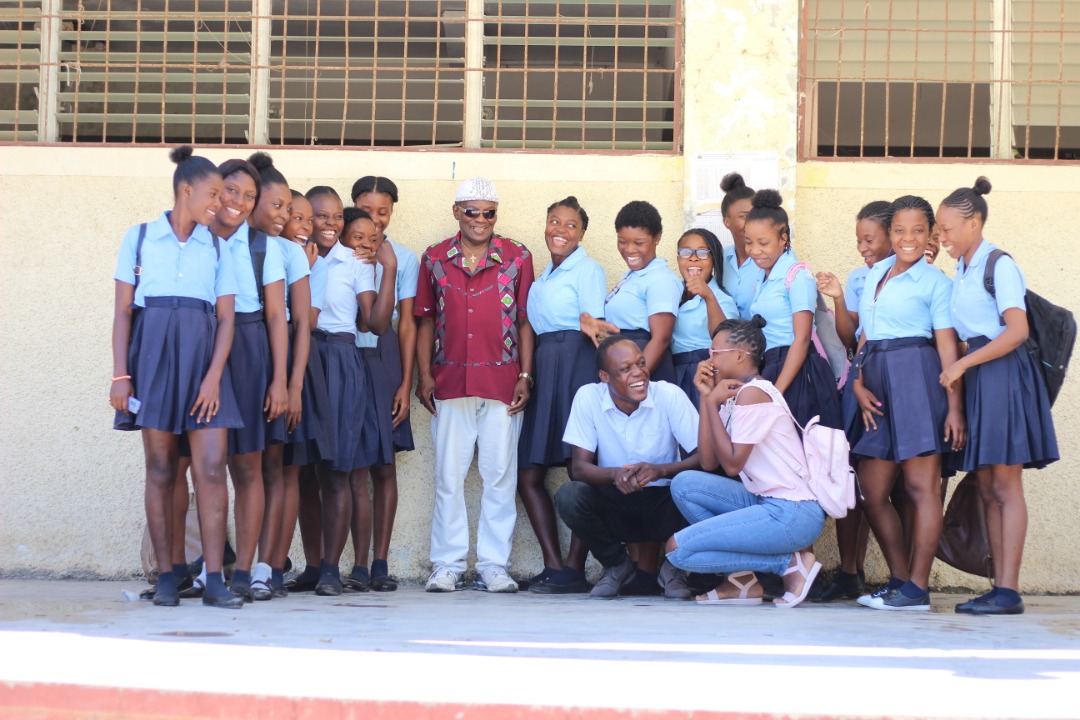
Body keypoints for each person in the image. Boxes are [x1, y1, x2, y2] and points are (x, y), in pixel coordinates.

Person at [110, 146, 243, 609]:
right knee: (162, 470)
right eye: (213, 194)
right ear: (186, 190)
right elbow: (123, 313)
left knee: (210, 467)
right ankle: (168, 576)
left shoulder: (221, 246)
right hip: (153, 362)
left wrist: (213, 379)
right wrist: (121, 375)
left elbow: (225, 319)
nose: (220, 205)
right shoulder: (141, 238)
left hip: (205, 364)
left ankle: (214, 579)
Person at [938, 177, 1059, 615]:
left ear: (975, 222)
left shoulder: (999, 264)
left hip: (1003, 376)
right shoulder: (964, 269)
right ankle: (998, 587)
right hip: (982, 379)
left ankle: (1008, 589)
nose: (942, 237)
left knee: (1005, 485)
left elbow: (1017, 330)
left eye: (948, 229)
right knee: (987, 485)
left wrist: (963, 365)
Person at [414, 177, 535, 594]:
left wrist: (525, 375)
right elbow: (425, 319)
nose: (481, 220)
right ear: (456, 213)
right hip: (449, 381)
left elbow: (524, 320)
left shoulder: (517, 257)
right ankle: (446, 564)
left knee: (499, 476)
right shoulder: (433, 259)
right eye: (472, 211)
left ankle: (492, 565)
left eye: (489, 212)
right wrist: (424, 375)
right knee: (449, 476)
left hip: (502, 383)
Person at [848, 195, 965, 611]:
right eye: (899, 230)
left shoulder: (936, 283)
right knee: (872, 489)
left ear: (930, 235)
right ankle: (900, 579)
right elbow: (864, 335)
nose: (907, 238)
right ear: (889, 233)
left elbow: (948, 347)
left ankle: (917, 586)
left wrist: (954, 407)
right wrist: (856, 382)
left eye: (918, 230)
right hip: (875, 383)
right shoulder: (875, 273)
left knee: (921, 487)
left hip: (916, 377)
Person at [663, 316, 826, 609]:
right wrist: (706, 399)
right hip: (769, 503)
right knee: (685, 484)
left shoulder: (753, 395)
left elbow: (733, 465)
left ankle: (788, 564)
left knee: (678, 551)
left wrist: (713, 403)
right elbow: (710, 461)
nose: (707, 358)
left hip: (792, 513)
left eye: (714, 352)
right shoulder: (735, 395)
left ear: (739, 355)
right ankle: (741, 581)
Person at [579, 200, 683, 590]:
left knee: (654, 462)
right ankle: (640, 574)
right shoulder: (631, 278)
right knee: (627, 459)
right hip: (625, 373)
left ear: (657, 239)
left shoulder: (660, 279)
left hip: (641, 372)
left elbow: (659, 336)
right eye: (623, 242)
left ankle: (658, 569)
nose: (630, 249)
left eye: (639, 242)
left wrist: (637, 381)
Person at [554, 337, 699, 599]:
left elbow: (705, 459)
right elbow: (579, 469)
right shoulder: (588, 397)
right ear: (604, 376)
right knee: (570, 494)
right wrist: (613, 474)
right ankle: (616, 565)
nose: (638, 373)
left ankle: (674, 567)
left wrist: (661, 470)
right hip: (618, 499)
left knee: (700, 487)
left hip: (665, 503)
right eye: (625, 369)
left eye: (641, 363)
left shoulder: (669, 395)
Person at [518, 197, 607, 594]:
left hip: (577, 364)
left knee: (579, 468)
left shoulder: (587, 269)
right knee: (529, 472)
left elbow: (594, 325)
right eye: (554, 221)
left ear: (582, 233)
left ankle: (575, 567)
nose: (561, 230)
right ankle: (554, 565)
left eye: (571, 225)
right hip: (544, 365)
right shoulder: (543, 278)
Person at [310, 199, 398, 596]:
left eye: (336, 217)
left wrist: (388, 269)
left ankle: (332, 569)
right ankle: (297, 566)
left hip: (342, 361)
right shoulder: (298, 255)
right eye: (321, 217)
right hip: (304, 357)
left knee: (342, 472)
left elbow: (375, 323)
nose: (330, 224)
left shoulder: (356, 264)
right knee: (302, 471)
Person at [813, 200, 892, 602]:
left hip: (901, 383)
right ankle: (849, 571)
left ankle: (908, 578)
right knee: (853, 476)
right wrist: (840, 299)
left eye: (870, 239)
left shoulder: (918, 277)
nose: (862, 247)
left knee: (900, 488)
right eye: (858, 239)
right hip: (861, 381)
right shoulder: (861, 277)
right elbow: (849, 339)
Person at [344, 176, 415, 592]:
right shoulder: (338, 255)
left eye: (383, 212)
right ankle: (355, 564)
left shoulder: (403, 258)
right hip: (347, 359)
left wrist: (406, 381)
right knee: (353, 467)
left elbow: (405, 324)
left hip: (384, 360)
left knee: (384, 466)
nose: (376, 219)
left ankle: (381, 563)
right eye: (367, 210)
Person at [245, 152, 310, 600]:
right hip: (239, 362)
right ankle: (241, 563)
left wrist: (293, 383)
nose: (285, 215)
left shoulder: (289, 253)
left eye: (289, 207)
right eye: (277, 205)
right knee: (241, 465)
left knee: (277, 466)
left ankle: (270, 565)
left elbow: (301, 322)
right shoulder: (225, 243)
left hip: (279, 363)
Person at [745, 189, 842, 430]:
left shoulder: (798, 276)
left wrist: (778, 391)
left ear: (783, 238)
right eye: (748, 242)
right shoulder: (764, 276)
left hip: (797, 373)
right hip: (770, 366)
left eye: (763, 243)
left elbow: (801, 339)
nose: (754, 250)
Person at [278, 190, 333, 592]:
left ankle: (295, 563)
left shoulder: (313, 263)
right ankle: (271, 560)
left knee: (297, 471)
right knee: (272, 471)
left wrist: (305, 272)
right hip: (268, 361)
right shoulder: (273, 255)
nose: (302, 225)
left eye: (305, 219)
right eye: (293, 216)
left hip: (305, 367)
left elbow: (306, 321)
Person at [672, 228, 738, 405]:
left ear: (713, 260)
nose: (693, 258)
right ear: (678, 259)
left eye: (702, 252)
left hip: (705, 374)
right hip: (674, 373)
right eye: (686, 252)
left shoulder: (722, 299)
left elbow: (726, 341)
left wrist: (709, 297)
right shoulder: (672, 292)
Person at [717, 173, 758, 319]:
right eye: (744, 216)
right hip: (728, 338)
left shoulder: (775, 258)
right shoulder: (720, 258)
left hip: (769, 340)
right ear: (727, 222)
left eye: (755, 215)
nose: (751, 222)